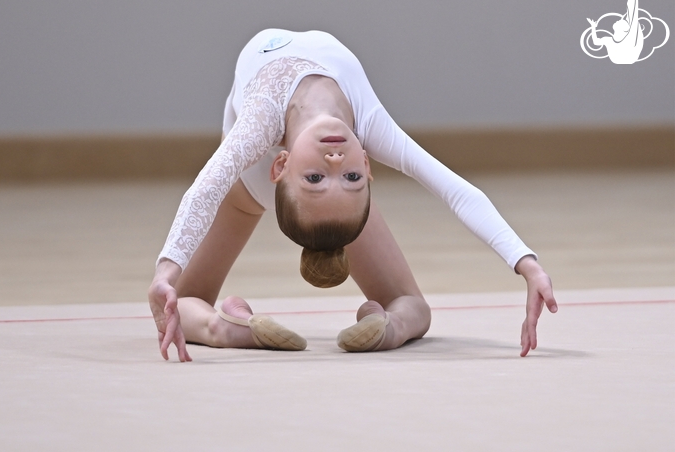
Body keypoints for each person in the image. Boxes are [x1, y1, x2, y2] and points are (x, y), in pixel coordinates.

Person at [149, 29, 557, 363]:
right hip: (276, 190)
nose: (335, 160)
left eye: (315, 177)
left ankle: (227, 328)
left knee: (183, 299)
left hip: (261, 185)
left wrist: (166, 275)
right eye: (350, 176)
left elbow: (206, 187)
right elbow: (455, 189)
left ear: (282, 167)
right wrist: (527, 263)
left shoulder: (266, 117)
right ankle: (384, 321)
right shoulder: (365, 127)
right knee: (408, 301)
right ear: (367, 166)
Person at [588, 0, 643, 64]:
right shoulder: (610, 40)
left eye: (622, 21)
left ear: (624, 29)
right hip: (624, 57)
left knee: (632, 11)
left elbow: (633, 10)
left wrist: (593, 27)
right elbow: (596, 42)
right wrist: (593, 27)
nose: (619, 19)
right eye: (623, 21)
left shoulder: (627, 38)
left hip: (627, 56)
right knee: (632, 11)